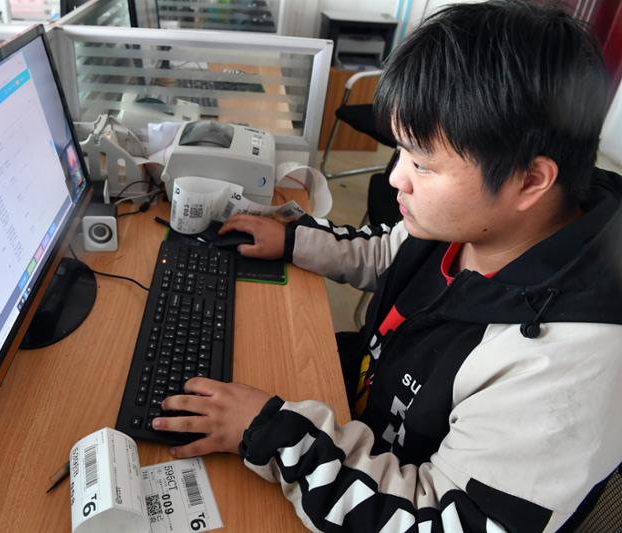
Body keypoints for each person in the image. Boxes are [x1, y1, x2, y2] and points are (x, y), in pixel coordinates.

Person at [153, 1, 622, 531]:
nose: (397, 178)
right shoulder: (484, 225)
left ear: (530, 181)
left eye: (422, 163)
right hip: (370, 415)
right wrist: (292, 239)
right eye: (400, 152)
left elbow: (435, 522)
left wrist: (273, 435)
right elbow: (387, 251)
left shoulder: (565, 366)